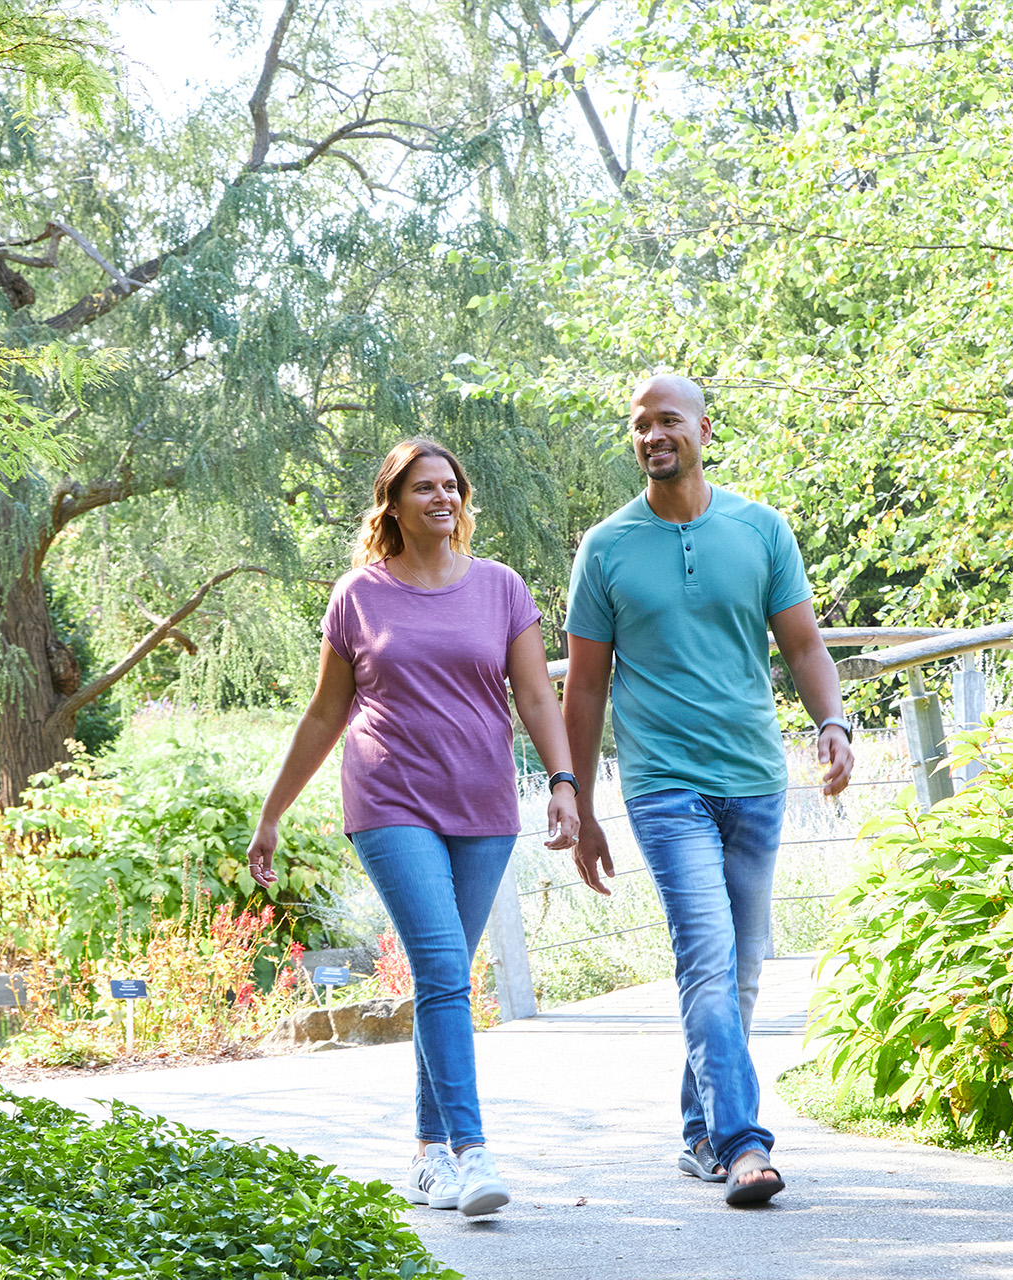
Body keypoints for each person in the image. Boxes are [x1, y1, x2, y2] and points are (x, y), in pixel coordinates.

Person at [248, 436, 580, 1218]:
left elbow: (536, 699)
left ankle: (428, 1156)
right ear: (392, 505)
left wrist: (564, 781)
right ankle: (471, 1151)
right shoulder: (358, 596)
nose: (444, 498)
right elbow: (327, 712)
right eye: (425, 488)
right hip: (390, 799)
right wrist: (273, 811)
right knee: (441, 971)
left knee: (446, 983)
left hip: (484, 806)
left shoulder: (500, 588)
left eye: (453, 486)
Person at [561, 374, 854, 1207]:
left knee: (745, 971)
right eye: (640, 424)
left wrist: (832, 722)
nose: (654, 435)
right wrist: (579, 806)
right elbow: (584, 688)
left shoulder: (760, 529)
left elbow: (803, 647)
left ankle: (699, 1131)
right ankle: (742, 1144)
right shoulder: (606, 548)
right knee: (706, 959)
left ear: (703, 430)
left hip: (755, 779)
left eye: (669, 422)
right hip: (664, 786)